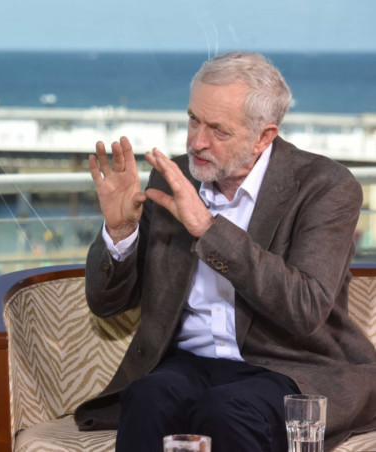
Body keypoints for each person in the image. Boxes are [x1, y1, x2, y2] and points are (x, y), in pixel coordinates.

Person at [74, 52, 376, 451]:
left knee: (226, 411)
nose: (197, 141)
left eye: (218, 129)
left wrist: (208, 229)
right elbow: (107, 304)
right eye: (193, 119)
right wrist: (120, 230)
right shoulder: (172, 177)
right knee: (147, 399)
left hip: (291, 367)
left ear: (264, 136)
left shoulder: (325, 187)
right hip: (189, 363)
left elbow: (304, 308)